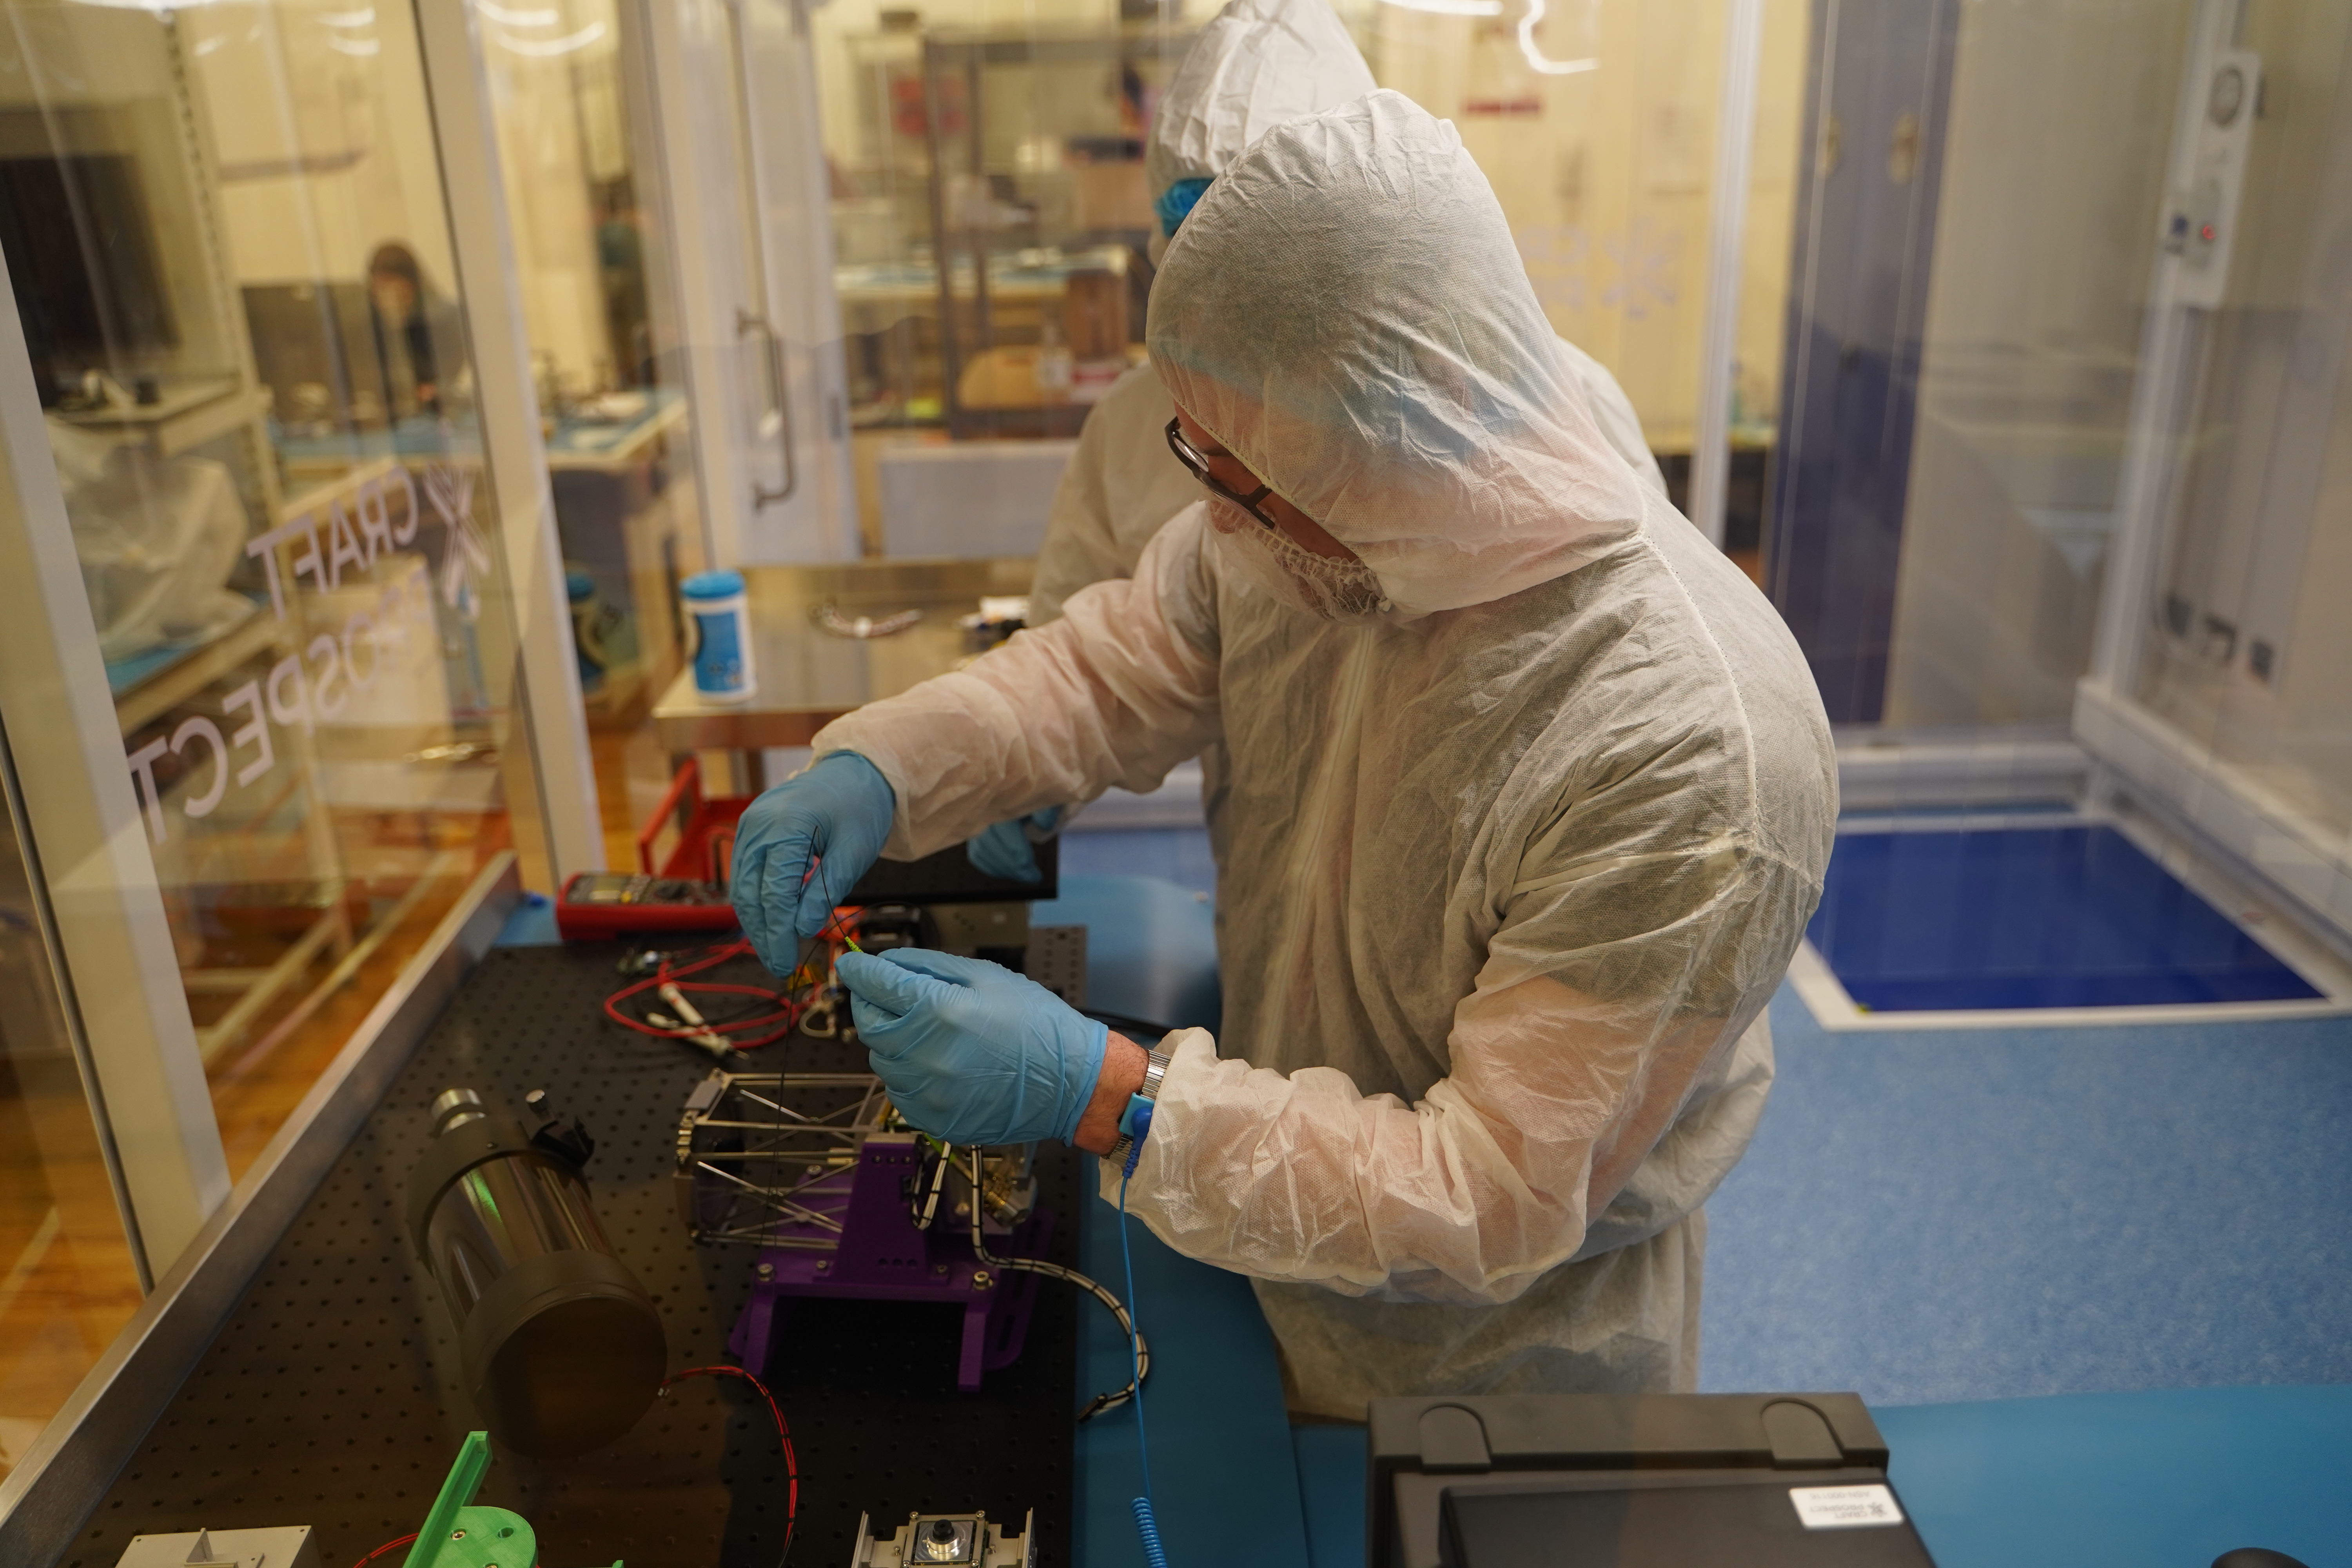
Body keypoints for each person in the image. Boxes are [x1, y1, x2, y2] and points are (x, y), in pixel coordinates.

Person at [731, 92, 1836, 1418]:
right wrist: (885, 770)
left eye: (1235, 472)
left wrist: (1118, 1104)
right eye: (1193, 449)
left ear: (1387, 441)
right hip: (1256, 1233)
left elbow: (1482, 1196)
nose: (1213, 516)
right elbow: (1101, 668)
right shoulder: (1318, 523)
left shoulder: (1692, 755)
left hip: (1498, 1371)